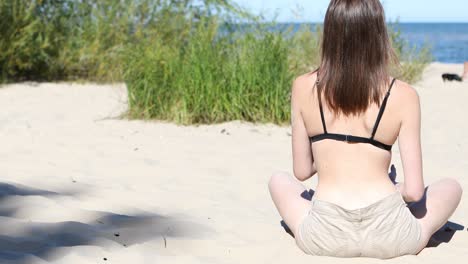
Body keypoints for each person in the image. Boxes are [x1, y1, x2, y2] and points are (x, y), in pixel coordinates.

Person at [268, 0, 463, 259]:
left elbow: (302, 171)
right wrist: (393, 187)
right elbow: (414, 192)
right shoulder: (403, 94)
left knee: (278, 181)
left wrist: (334, 159)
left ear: (330, 32)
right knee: (451, 187)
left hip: (325, 235)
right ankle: (421, 229)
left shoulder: (303, 86)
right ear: (378, 34)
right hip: (391, 235)